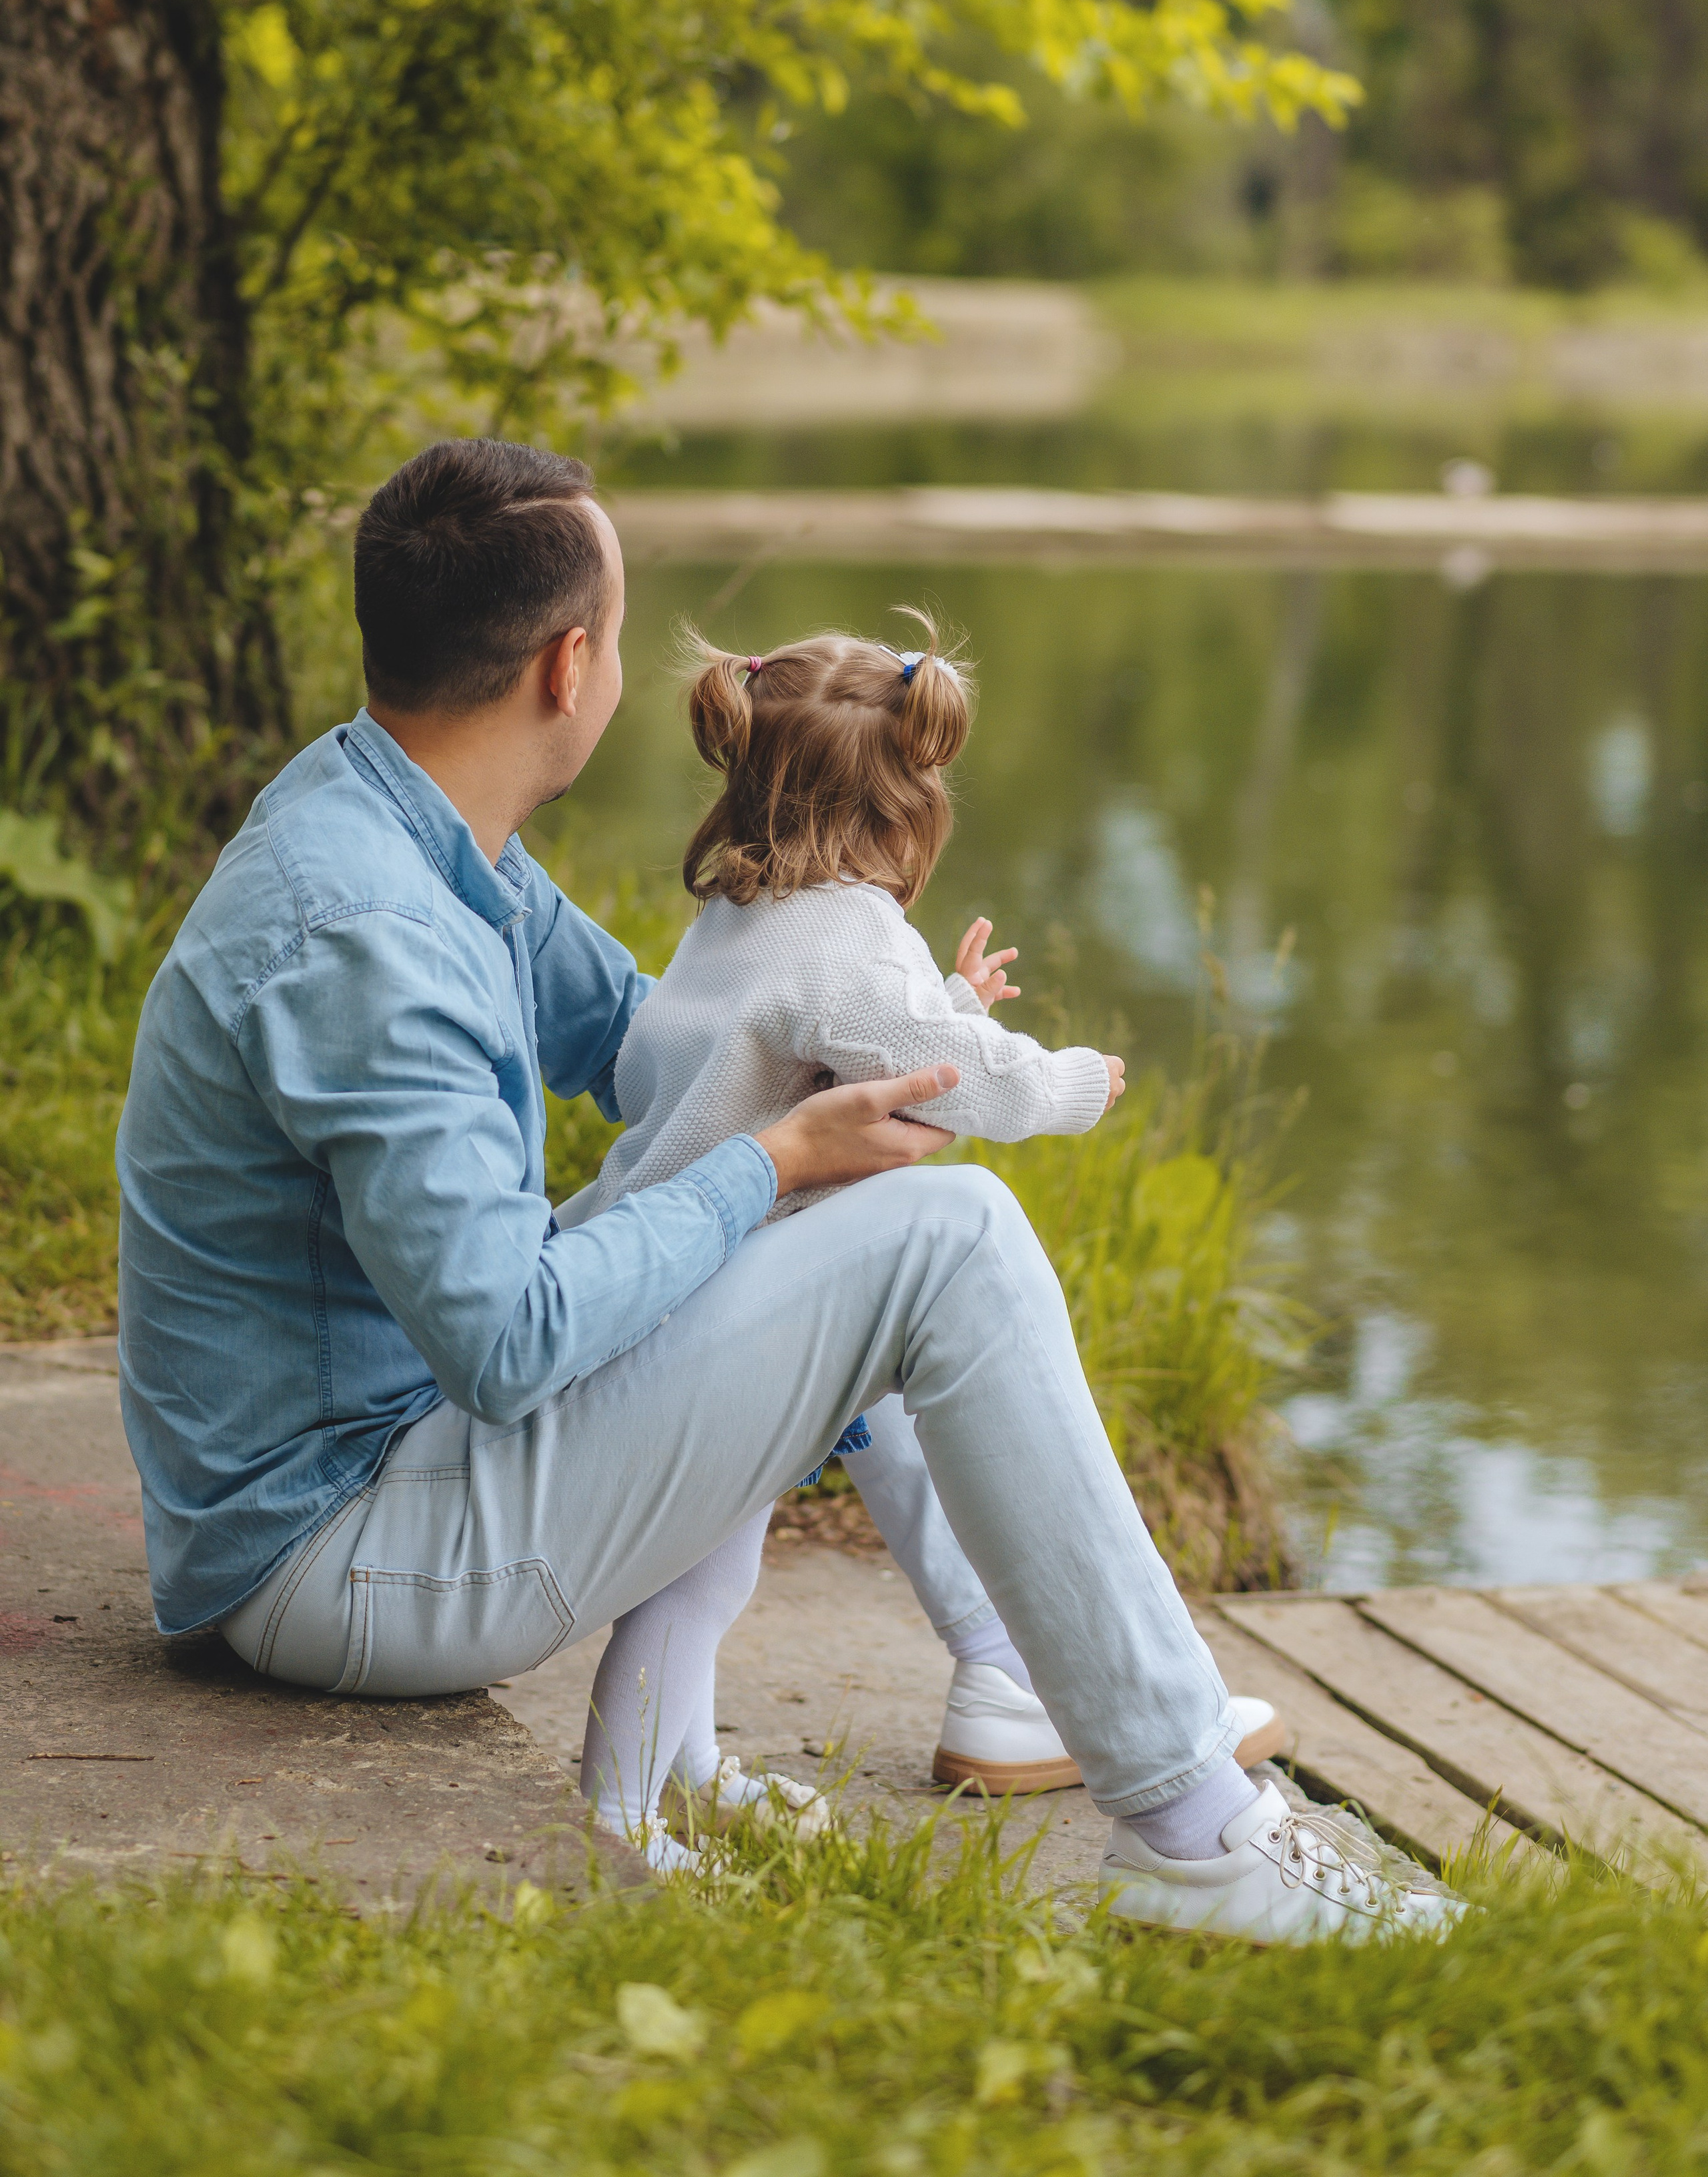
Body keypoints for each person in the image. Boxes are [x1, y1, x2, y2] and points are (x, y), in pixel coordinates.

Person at [116, 438, 1458, 1943]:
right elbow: (507, 1344)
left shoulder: (415, 831)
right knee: (950, 1230)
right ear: (570, 666)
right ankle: (1197, 1831)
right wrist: (776, 1163)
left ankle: (993, 1699)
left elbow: (639, 1049)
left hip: (361, 1487)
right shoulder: (369, 933)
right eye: (618, 640)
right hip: (335, 1561)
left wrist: (820, 1028)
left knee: (884, 1229)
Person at [570, 614, 1280, 1867]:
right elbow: (967, 1085)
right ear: (896, 813)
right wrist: (1070, 1081)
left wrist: (937, 1004)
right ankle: (620, 1814)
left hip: (653, 1273)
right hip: (704, 1311)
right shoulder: (845, 933)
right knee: (695, 1582)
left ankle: (689, 1767)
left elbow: (775, 1061)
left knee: (706, 1572)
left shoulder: (737, 916)